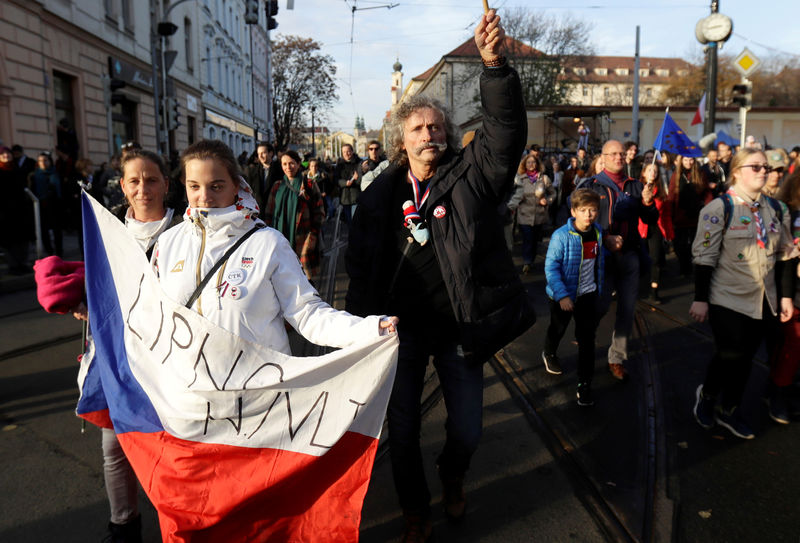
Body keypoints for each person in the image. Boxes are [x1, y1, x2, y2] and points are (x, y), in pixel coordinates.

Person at [345, 10, 533, 541]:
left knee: (468, 430)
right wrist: (359, 333)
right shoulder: (379, 196)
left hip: (460, 330)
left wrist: (494, 67)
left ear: (447, 134)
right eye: (418, 128)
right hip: (399, 335)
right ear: (401, 140)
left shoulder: (473, 174)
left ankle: (453, 475)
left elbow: (504, 133)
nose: (429, 134)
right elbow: (361, 271)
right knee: (400, 433)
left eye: (436, 126)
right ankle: (414, 512)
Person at [67, 149, 180, 542]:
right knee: (114, 447)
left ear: (166, 184)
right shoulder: (107, 231)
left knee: (173, 450)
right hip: (118, 361)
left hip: (172, 361)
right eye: (135, 180)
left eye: (151, 180)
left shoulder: (184, 232)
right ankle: (123, 525)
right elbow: (97, 286)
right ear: (123, 186)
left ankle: (179, 523)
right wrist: (83, 304)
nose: (143, 187)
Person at [691, 148, 794, 439]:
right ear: (736, 171)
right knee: (730, 353)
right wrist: (700, 299)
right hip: (727, 297)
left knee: (745, 358)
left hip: (764, 299)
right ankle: (708, 397)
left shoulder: (777, 209)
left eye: (768, 167)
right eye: (757, 167)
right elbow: (703, 257)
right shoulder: (719, 209)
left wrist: (785, 296)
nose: (765, 172)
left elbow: (786, 256)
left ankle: (730, 409)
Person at [584, 140, 657, 380]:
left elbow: (650, 220)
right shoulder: (591, 186)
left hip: (630, 256)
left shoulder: (635, 186)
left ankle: (616, 357)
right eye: (613, 154)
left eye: (621, 154)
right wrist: (604, 238)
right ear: (602, 158)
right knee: (601, 304)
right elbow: (578, 222)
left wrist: (647, 202)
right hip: (602, 259)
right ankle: (586, 339)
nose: (618, 157)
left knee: (627, 310)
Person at [542, 188, 603, 406]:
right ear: (574, 211)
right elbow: (551, 268)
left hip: (587, 294)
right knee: (558, 328)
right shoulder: (561, 236)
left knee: (587, 340)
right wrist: (562, 295)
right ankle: (549, 352)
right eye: (584, 210)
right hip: (563, 296)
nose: (589, 215)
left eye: (593, 210)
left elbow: (599, 264)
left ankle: (584, 383)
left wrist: (599, 289)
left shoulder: (598, 233)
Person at [768, 169, 800, 422]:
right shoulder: (785, 210)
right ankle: (778, 393)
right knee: (792, 343)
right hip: (793, 287)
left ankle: (787, 389)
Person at [264, 150, 325, 279]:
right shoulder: (277, 186)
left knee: (303, 279)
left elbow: (319, 212)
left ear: (298, 164)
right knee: (283, 279)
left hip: (304, 239)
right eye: (284, 164)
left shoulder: (309, 185)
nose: (288, 167)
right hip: (280, 239)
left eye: (291, 163)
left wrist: (312, 237)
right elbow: (269, 215)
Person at [508, 153, 555, 274]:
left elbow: (553, 193)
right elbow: (512, 194)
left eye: (533, 162)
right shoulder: (520, 179)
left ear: (537, 164)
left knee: (534, 240)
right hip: (524, 215)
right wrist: (517, 200)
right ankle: (527, 262)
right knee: (527, 239)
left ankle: (531, 259)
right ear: (524, 165)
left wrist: (547, 201)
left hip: (539, 215)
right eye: (528, 162)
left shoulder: (544, 179)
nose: (531, 164)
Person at [668, 155, 712, 277]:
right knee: (679, 246)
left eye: (691, 159)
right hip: (679, 216)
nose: (688, 162)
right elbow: (671, 195)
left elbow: (707, 193)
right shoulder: (676, 175)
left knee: (694, 244)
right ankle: (684, 266)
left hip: (696, 215)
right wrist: (669, 215)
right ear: (681, 161)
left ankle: (690, 269)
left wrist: (710, 209)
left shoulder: (700, 174)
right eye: (686, 160)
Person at [638, 162, 673, 304]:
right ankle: (639, 287)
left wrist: (669, 231)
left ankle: (654, 291)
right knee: (640, 259)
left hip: (656, 228)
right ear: (644, 172)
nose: (653, 173)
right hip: (640, 228)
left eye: (656, 171)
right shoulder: (637, 187)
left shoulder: (661, 190)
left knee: (655, 259)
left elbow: (666, 214)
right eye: (650, 170)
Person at [1, 146, 33, 275]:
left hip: (20, 210)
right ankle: (13, 266)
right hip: (4, 212)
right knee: (9, 240)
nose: (6, 156)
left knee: (23, 239)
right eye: (3, 154)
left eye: (8, 153)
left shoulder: (17, 169)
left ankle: (23, 263)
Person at [29, 151, 63, 257]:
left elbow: (60, 191)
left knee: (57, 231)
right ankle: (49, 252)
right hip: (41, 206)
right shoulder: (34, 176)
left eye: (45, 160)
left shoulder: (56, 174)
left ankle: (59, 252)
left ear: (50, 161)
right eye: (40, 161)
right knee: (44, 231)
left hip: (55, 206)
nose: (43, 163)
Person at [245, 141, 281, 213]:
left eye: (263, 153)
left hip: (274, 209)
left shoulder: (280, 170)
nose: (260, 156)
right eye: (259, 154)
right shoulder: (252, 171)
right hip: (258, 211)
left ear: (271, 153)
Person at [335, 143, 360, 225]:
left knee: (355, 220)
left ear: (352, 151)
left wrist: (355, 179)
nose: (346, 154)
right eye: (344, 152)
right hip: (344, 198)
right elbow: (336, 180)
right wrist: (345, 183)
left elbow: (360, 178)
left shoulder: (358, 163)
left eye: (348, 151)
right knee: (349, 222)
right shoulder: (340, 165)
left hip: (356, 197)